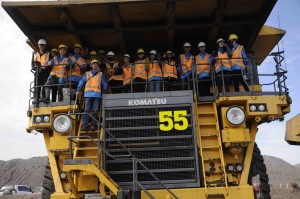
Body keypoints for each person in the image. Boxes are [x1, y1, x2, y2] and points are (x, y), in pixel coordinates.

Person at [76, 59, 107, 132]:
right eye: (93, 64)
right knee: (88, 110)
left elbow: (105, 85)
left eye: (96, 64)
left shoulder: (101, 74)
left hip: (96, 95)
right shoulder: (87, 74)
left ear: (98, 66)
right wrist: (78, 90)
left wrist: (103, 94)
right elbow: (81, 83)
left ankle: (92, 125)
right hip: (89, 94)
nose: (95, 65)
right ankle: (85, 125)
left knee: (94, 110)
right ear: (91, 65)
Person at [31, 39, 51, 104]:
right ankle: (36, 99)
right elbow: (32, 64)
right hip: (37, 72)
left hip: (45, 72)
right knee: (37, 86)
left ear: (45, 46)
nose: (41, 47)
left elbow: (51, 64)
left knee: (45, 86)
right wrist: (35, 68)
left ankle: (44, 98)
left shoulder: (48, 54)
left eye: (43, 45)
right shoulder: (35, 54)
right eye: (40, 45)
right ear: (38, 45)